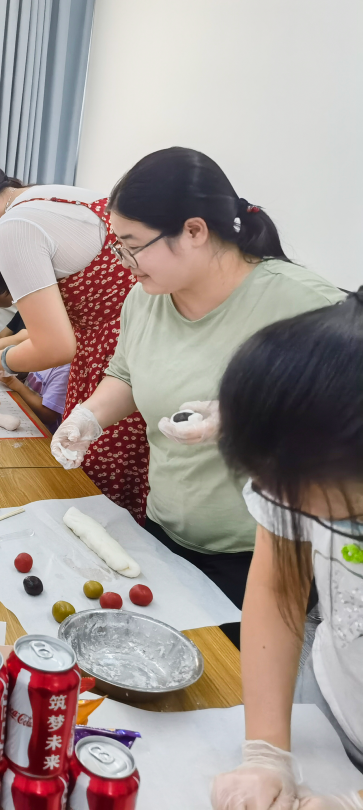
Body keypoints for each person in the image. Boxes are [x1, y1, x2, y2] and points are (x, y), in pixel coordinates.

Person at [47, 147, 344, 644]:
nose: (124, 263)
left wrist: (242, 417)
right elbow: (126, 373)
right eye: (118, 247)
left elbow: (345, 417)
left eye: (133, 246)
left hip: (261, 555)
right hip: (165, 531)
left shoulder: (302, 303)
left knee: (224, 677)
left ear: (194, 231)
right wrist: (89, 417)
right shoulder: (146, 298)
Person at [0, 158, 151, 523]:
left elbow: (55, 346)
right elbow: (28, 295)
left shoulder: (16, 227)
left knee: (100, 495)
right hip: (140, 347)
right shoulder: (41, 196)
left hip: (113, 363)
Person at [211, 293, 363, 808]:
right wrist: (266, 750)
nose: (288, 507)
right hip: (333, 707)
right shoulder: (304, 454)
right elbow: (280, 581)